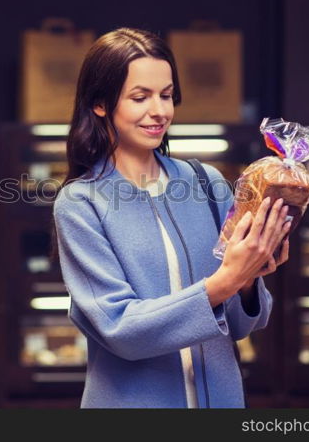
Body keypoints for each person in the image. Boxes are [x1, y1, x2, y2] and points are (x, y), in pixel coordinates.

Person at [52, 27, 290, 408]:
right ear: (100, 103)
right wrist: (226, 281)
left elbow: (243, 325)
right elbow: (121, 329)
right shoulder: (81, 203)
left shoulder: (206, 183)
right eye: (139, 97)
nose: (159, 111)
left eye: (166, 95)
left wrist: (249, 276)